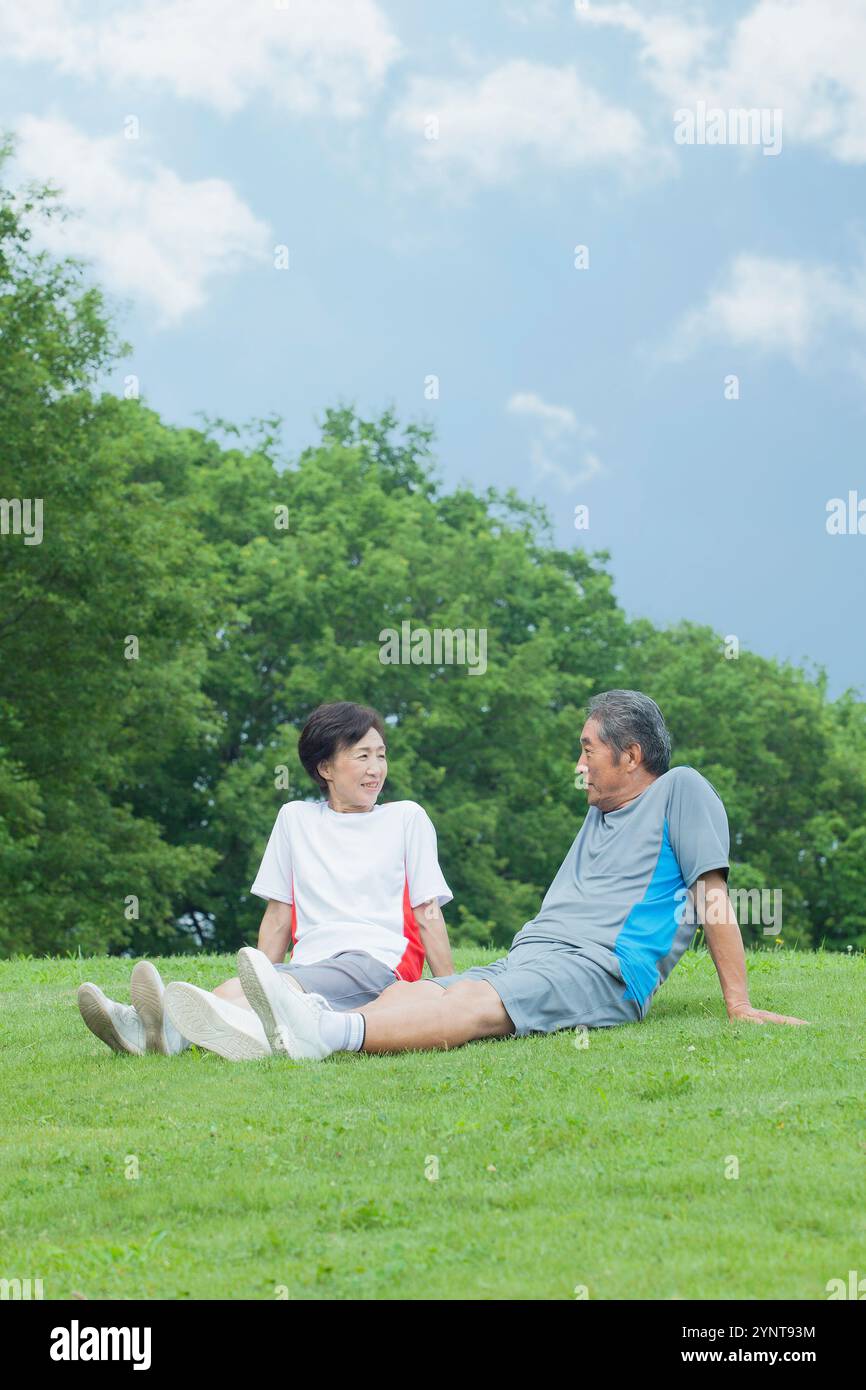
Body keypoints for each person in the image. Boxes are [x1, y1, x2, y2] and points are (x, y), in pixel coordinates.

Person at [199, 689, 809, 1062]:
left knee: (476, 1003)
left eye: (588, 750)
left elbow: (713, 897)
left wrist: (739, 1004)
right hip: (532, 953)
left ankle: (327, 1035)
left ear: (632, 756)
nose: (578, 765)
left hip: (600, 967)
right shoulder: (599, 811)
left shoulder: (682, 790)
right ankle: (263, 1022)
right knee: (413, 993)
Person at [77, 701, 454, 1061]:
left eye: (381, 755)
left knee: (279, 991)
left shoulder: (406, 818)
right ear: (326, 768)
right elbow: (277, 916)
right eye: (362, 756)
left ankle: (162, 1029)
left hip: (378, 963)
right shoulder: (295, 818)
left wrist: (450, 993)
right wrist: (261, 976)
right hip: (309, 965)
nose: (376, 768)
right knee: (238, 991)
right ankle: (154, 1029)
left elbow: (427, 912)